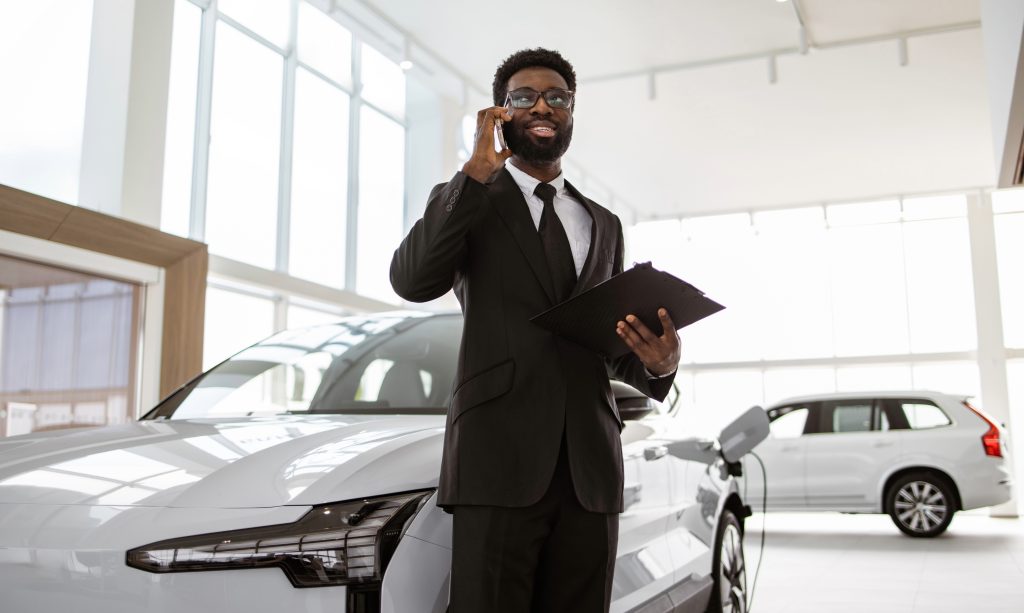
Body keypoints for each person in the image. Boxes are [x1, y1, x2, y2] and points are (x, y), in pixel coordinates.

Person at [390, 48, 681, 613]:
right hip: (496, 461)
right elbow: (412, 280)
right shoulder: (469, 199)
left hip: (589, 467)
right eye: (523, 97)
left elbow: (606, 336)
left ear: (572, 112)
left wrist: (657, 363)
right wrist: (473, 175)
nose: (541, 106)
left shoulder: (604, 222)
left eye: (557, 97)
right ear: (501, 113)